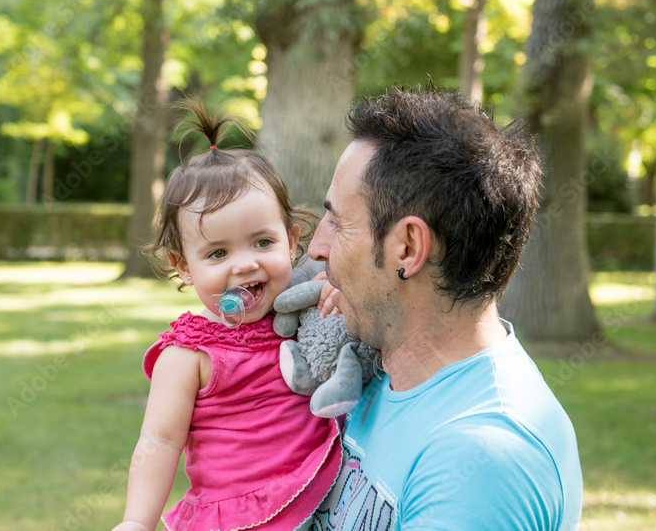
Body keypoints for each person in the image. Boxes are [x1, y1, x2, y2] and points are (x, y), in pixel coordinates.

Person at [304, 86, 583, 530]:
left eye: (338, 222)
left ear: (408, 247)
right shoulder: (369, 373)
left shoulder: (482, 457)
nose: (317, 248)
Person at [112, 103, 342, 531]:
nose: (244, 265)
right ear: (183, 266)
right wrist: (137, 522)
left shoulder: (302, 308)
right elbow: (160, 441)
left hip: (322, 497)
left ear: (291, 241)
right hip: (240, 518)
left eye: (262, 242)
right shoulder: (187, 355)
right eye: (218, 253)